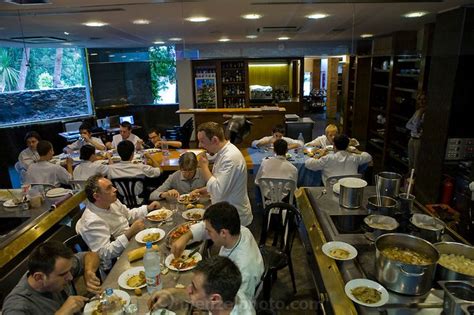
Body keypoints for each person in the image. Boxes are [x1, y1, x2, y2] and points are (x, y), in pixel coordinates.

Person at [171, 202, 264, 301]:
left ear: (223, 233)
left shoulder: (243, 270)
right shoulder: (238, 230)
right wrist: (186, 236)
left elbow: (234, 304)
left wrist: (176, 293)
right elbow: (206, 226)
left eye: (209, 231)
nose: (207, 233)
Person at [75, 174, 161, 270]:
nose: (115, 189)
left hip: (130, 242)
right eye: (109, 188)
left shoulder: (112, 201)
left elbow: (128, 215)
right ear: (97, 196)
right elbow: (104, 253)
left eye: (112, 186)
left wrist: (148, 208)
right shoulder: (92, 221)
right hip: (116, 261)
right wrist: (129, 233)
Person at [3, 240, 101, 315]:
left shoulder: (60, 267)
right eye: (63, 274)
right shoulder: (18, 305)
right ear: (39, 277)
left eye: (69, 271)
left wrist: (88, 271)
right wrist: (62, 312)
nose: (70, 277)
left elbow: (91, 255)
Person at [191, 122, 253, 226]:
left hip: (235, 218)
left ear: (215, 140)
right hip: (226, 213)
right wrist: (206, 190)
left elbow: (219, 191)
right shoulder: (222, 152)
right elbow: (224, 183)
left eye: (202, 141)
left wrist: (204, 167)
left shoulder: (230, 157)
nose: (199, 145)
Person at [148, 256, 256, 315]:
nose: (188, 289)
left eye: (194, 288)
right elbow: (202, 297)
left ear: (214, 299)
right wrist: (171, 293)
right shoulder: (229, 291)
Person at [305, 134, 372, 185]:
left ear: (334, 145)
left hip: (331, 189)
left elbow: (308, 164)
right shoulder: (355, 157)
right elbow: (368, 156)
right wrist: (355, 151)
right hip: (351, 187)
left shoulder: (328, 158)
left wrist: (318, 155)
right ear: (347, 146)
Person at [406, 92, 427, 173]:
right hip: (412, 138)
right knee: (410, 161)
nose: (421, 101)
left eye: (423, 99)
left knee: (416, 162)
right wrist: (415, 129)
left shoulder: (425, 113)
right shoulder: (417, 111)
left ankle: (415, 179)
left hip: (419, 140)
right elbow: (407, 125)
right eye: (419, 99)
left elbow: (417, 125)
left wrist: (420, 114)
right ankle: (410, 180)